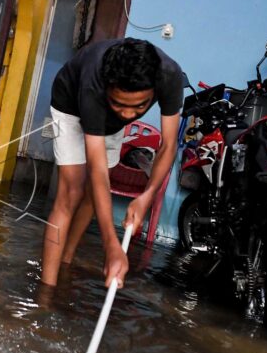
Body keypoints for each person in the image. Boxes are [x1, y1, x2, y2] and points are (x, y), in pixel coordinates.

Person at [41, 37, 184, 288]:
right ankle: (46, 290)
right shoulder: (92, 85)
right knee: (71, 191)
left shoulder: (170, 75)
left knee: (92, 195)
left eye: (139, 106)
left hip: (108, 121)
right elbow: (97, 171)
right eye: (120, 103)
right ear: (108, 89)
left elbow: (169, 145)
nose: (129, 114)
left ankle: (66, 259)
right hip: (70, 105)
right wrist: (111, 246)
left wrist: (147, 195)